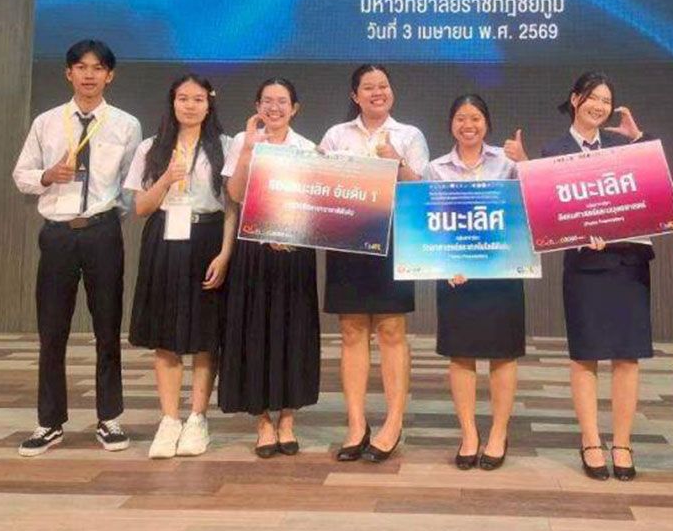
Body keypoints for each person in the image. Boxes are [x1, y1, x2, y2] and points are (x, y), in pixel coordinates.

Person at [506, 71, 651, 481]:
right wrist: (526, 167)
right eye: (593, 98)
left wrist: (640, 140)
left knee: (627, 356)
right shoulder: (554, 151)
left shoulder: (624, 146)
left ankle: (622, 442)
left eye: (606, 100)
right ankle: (590, 440)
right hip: (585, 268)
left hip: (628, 265)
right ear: (575, 99)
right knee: (585, 355)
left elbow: (653, 190)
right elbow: (548, 212)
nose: (600, 106)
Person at [12, 39, 141, 456]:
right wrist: (47, 176)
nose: (89, 75)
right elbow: (21, 175)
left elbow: (128, 186)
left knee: (108, 328)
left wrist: (107, 220)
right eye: (81, 67)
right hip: (58, 234)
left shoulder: (126, 125)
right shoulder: (47, 122)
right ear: (69, 73)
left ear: (110, 75)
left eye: (98, 68)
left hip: (103, 232)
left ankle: (109, 418)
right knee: (52, 330)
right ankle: (49, 422)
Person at [319, 64, 428, 463]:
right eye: (368, 87)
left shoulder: (409, 135)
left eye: (383, 86)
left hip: (392, 237)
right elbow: (321, 185)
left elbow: (422, 190)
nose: (377, 92)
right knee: (351, 331)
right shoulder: (336, 135)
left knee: (391, 330)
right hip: (346, 240)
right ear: (355, 95)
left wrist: (396, 161)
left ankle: (393, 423)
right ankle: (356, 424)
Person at [125, 74, 236, 458]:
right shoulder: (151, 147)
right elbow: (141, 208)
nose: (190, 105)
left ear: (209, 104)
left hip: (208, 237)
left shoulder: (225, 146)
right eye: (183, 98)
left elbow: (232, 206)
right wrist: (165, 180)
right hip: (165, 236)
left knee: (205, 333)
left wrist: (225, 253)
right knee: (166, 332)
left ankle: (197, 418)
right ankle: (169, 419)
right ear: (172, 102)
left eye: (198, 99)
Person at [218, 78, 322, 458]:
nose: (274, 108)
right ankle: (262, 421)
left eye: (282, 101)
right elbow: (235, 195)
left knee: (293, 332)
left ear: (295, 108)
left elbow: (316, 205)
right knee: (253, 331)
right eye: (267, 101)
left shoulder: (308, 149)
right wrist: (249, 149)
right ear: (257, 106)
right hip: (253, 249)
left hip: (294, 251)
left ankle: (288, 419)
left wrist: (290, 231)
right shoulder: (241, 141)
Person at [422, 94, 525, 471]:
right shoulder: (435, 168)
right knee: (461, 353)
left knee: (503, 353)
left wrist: (525, 162)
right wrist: (443, 263)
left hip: (502, 274)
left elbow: (532, 204)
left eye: (476, 118)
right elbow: (428, 224)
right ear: (451, 124)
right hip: (456, 278)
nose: (469, 125)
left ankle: (498, 433)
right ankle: (468, 433)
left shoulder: (507, 163)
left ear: (487, 123)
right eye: (461, 118)